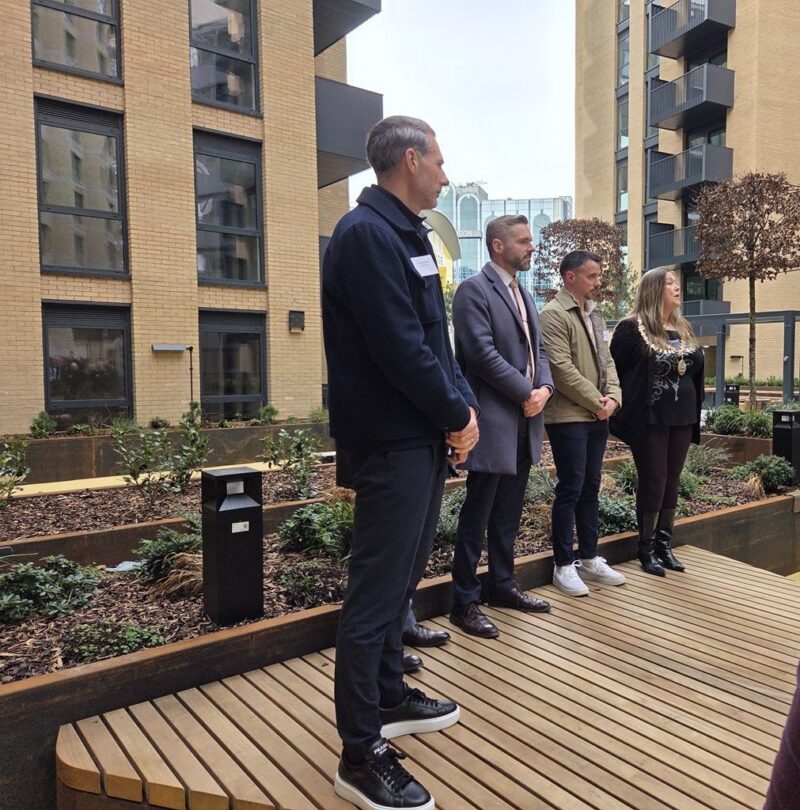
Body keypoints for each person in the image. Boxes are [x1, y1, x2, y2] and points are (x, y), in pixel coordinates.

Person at [322, 115, 479, 810]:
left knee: (403, 581)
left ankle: (387, 694)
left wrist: (459, 410)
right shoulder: (365, 237)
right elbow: (398, 349)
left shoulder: (403, 233)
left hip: (417, 439)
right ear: (410, 160)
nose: (446, 175)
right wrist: (457, 415)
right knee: (374, 597)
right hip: (392, 442)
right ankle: (360, 753)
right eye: (440, 163)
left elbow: (433, 344)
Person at [449, 214, 553, 640]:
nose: (532, 248)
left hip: (525, 421)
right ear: (498, 245)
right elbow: (480, 353)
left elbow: (539, 349)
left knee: (508, 513)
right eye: (524, 241)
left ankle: (503, 586)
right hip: (493, 421)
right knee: (477, 514)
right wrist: (526, 391)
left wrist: (544, 386)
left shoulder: (523, 294)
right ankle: (464, 602)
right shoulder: (473, 290)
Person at [539, 250, 626, 596]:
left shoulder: (595, 315)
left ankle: (589, 558)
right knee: (570, 488)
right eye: (592, 276)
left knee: (591, 487)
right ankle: (563, 565)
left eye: (599, 275)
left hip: (597, 414)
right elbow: (561, 370)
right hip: (569, 417)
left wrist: (614, 399)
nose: (598, 282)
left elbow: (609, 363)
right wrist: (597, 402)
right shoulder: (553, 314)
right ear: (570, 277)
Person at [609, 266, 704, 576]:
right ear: (653, 290)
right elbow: (615, 372)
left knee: (673, 479)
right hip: (648, 418)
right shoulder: (631, 328)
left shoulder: (683, 328)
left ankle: (665, 545)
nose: (677, 287)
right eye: (669, 283)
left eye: (676, 282)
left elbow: (696, 373)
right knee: (654, 479)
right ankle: (646, 549)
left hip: (681, 416)